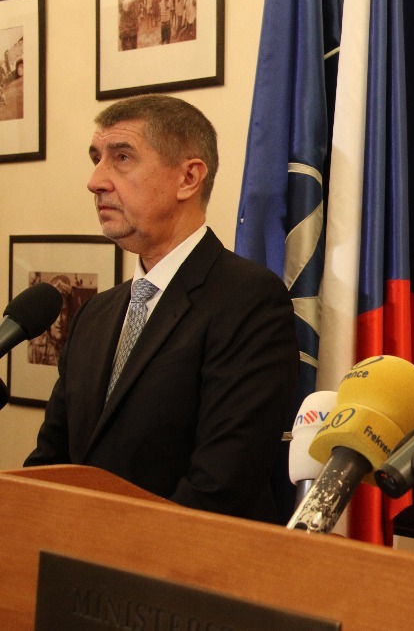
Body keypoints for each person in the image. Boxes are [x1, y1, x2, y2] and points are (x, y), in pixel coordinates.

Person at [24, 95, 299, 524]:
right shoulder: (95, 314)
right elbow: (51, 463)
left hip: (180, 575)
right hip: (77, 571)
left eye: (122, 157)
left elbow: (221, 485)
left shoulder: (248, 299)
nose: (95, 181)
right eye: (97, 158)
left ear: (188, 178)